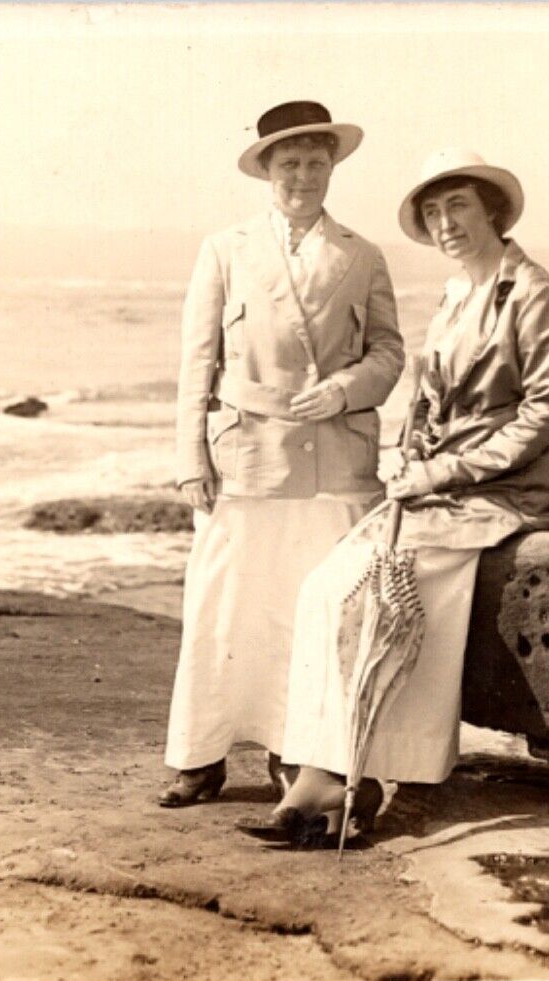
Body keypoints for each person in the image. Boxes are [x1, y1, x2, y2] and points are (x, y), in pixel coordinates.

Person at [242, 149, 549, 845]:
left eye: (457, 206)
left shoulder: (532, 292)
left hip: (507, 490)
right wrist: (408, 458)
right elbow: (430, 398)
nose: (444, 222)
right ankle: (324, 773)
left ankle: (405, 776)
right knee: (327, 586)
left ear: (491, 210)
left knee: (410, 595)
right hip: (437, 485)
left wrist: (444, 474)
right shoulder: (458, 293)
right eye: (432, 213)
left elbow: (542, 412)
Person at [158, 101, 405, 807]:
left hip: (335, 464)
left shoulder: (363, 254)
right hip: (245, 462)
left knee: (315, 612)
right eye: (289, 163)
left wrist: (347, 390)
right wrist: (189, 458)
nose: (303, 176)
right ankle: (198, 757)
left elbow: (390, 351)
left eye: (316, 163)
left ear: (333, 169)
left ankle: (296, 753)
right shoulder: (225, 248)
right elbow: (196, 360)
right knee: (226, 606)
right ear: (267, 171)